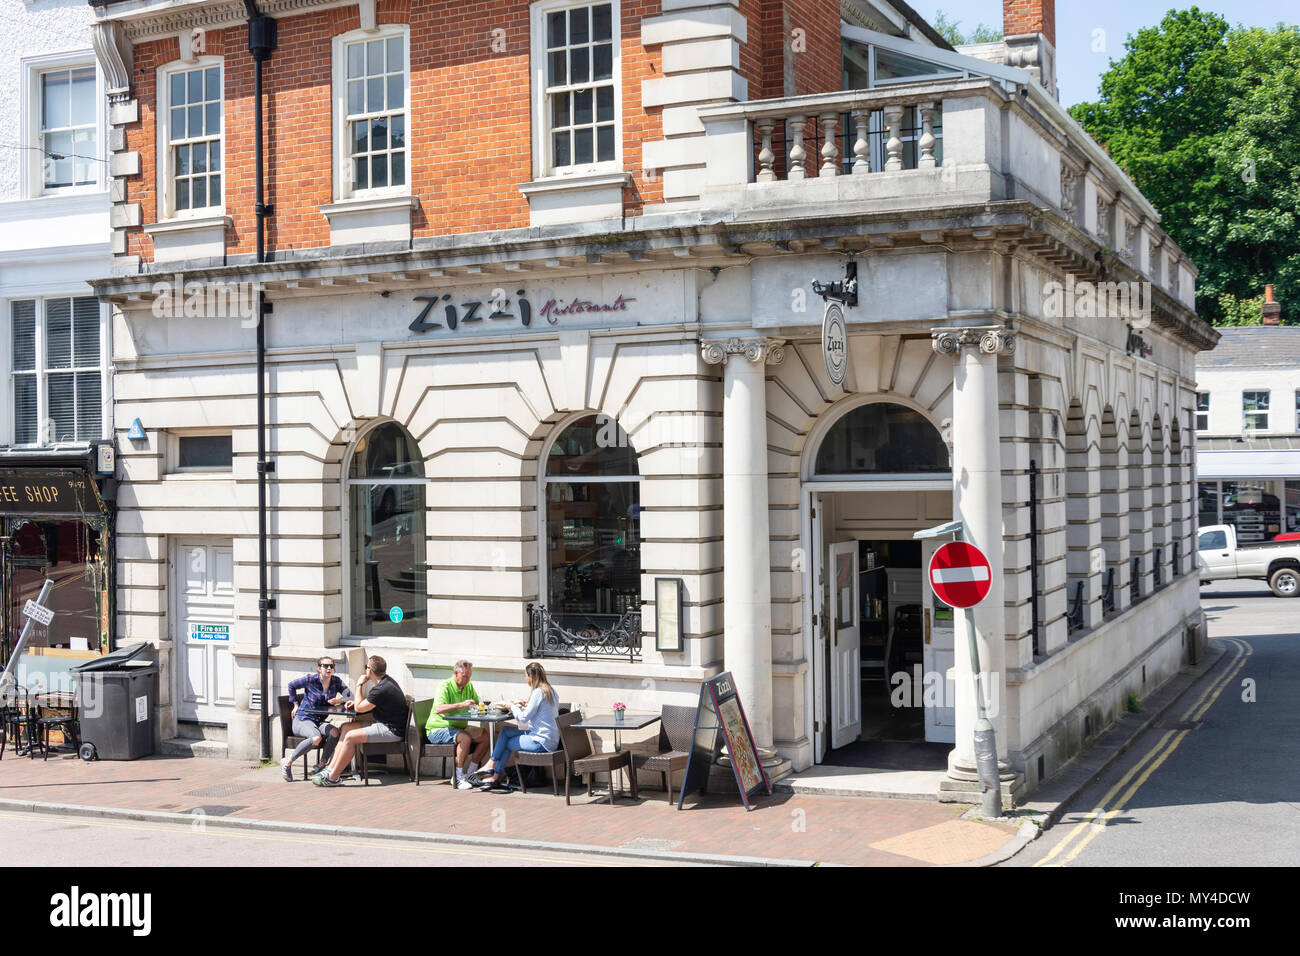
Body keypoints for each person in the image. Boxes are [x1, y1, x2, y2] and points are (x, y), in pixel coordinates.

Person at [311, 655, 406, 787]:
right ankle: (330, 769)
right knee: (346, 727)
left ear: (370, 671)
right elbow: (365, 703)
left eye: (366, 667)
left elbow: (359, 708)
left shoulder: (381, 688)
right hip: (385, 724)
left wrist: (359, 683)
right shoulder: (386, 682)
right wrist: (356, 702)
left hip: (392, 730)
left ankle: (332, 778)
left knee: (350, 737)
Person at [470, 662, 560, 790]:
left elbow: (523, 718)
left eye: (526, 676)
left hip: (541, 742)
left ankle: (494, 774)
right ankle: (491, 766)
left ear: (531, 676)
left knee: (507, 743)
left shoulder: (538, 693)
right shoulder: (551, 691)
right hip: (550, 739)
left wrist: (511, 706)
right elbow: (541, 711)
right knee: (506, 731)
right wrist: (526, 705)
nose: (525, 679)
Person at [281, 657, 352, 781]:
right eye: (325, 666)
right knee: (316, 737)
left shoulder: (336, 681)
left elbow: (350, 695)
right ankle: (288, 762)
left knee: (335, 733)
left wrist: (339, 700)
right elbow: (291, 685)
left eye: (331, 666)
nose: (329, 668)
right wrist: (295, 704)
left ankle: (321, 765)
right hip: (303, 719)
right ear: (319, 668)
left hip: (319, 721)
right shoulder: (310, 679)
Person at [424, 659, 491, 790]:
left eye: (469, 676)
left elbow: (476, 703)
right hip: (438, 729)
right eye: (465, 676)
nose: (467, 680)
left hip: (459, 727)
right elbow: (439, 709)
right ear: (456, 673)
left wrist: (481, 706)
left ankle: (472, 773)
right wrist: (461, 704)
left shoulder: (468, 686)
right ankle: (458, 777)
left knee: (485, 737)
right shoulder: (444, 686)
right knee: (464, 738)